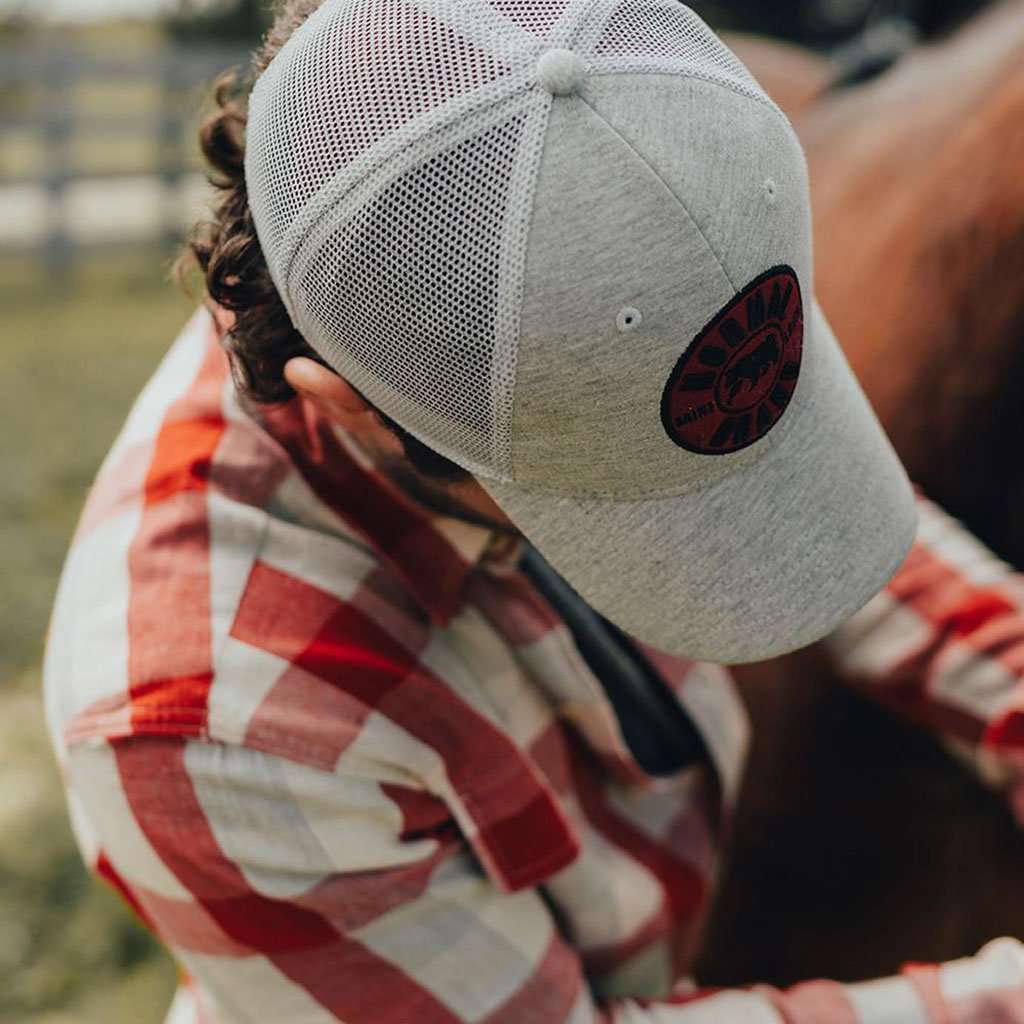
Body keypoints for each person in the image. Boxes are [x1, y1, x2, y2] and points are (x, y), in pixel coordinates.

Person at [43, 1, 1024, 1020]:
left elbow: (782, 485)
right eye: (626, 493)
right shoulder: (216, 731)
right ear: (358, 413)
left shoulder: (569, 270)